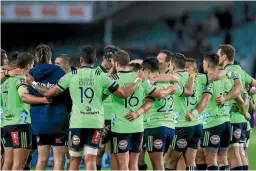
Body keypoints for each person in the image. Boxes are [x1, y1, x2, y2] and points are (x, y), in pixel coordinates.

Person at [26, 45, 145, 170]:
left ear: (81, 60)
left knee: (74, 160)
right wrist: (137, 81)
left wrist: (32, 83)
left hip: (77, 122)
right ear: (95, 60)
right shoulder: (102, 76)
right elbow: (124, 94)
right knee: (91, 160)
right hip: (95, 123)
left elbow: (48, 94)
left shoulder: (71, 76)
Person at [108, 51, 176, 170]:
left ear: (116, 64)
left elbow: (117, 94)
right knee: (135, 164)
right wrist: (170, 90)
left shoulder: (112, 79)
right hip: (139, 126)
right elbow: (155, 97)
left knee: (123, 164)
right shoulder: (144, 79)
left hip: (121, 126)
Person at [186, 52, 241, 170]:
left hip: (211, 122)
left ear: (206, 64)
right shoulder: (227, 79)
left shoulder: (208, 81)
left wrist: (194, 113)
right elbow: (238, 92)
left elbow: (206, 100)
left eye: (203, 63)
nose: (203, 65)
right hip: (226, 121)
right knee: (222, 158)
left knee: (210, 159)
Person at [1, 52, 50, 170]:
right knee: (19, 164)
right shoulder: (20, 79)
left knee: (8, 162)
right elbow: (24, 96)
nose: (33, 68)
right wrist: (43, 100)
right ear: (28, 66)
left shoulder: (4, 80)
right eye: (32, 65)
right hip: (19, 124)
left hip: (5, 125)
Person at [27, 44, 71, 170]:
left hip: (39, 121)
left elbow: (27, 96)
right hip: (58, 119)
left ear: (36, 57)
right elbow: (67, 95)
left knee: (41, 159)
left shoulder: (32, 73)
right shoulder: (59, 71)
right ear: (50, 55)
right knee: (59, 160)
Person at [217, 44, 256, 170]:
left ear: (223, 57)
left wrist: (225, 98)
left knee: (232, 154)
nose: (217, 57)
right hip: (243, 120)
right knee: (240, 153)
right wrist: (249, 94)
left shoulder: (228, 72)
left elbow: (238, 90)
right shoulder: (239, 69)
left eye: (218, 55)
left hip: (233, 118)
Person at [95, 45, 121, 171]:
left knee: (115, 153)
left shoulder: (119, 75)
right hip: (101, 118)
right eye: (112, 61)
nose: (114, 64)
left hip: (116, 119)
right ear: (105, 58)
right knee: (98, 151)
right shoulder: (95, 73)